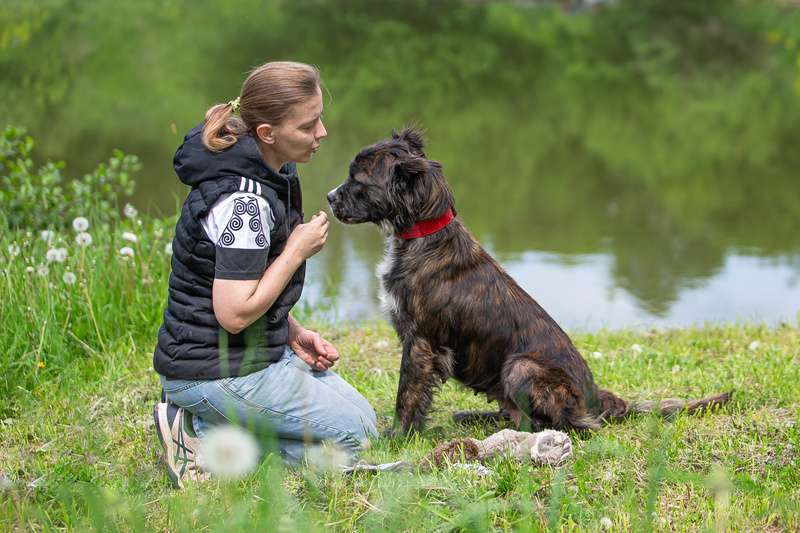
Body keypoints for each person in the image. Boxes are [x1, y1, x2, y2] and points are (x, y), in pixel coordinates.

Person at [151, 61, 377, 488]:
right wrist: (296, 250)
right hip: (212, 370)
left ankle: (210, 429)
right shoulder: (244, 204)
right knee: (354, 438)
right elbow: (234, 314)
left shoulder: (269, 171)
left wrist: (292, 332)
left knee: (365, 421)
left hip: (243, 355)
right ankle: (199, 437)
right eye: (308, 125)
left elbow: (242, 284)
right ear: (268, 134)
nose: (322, 133)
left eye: (320, 119)